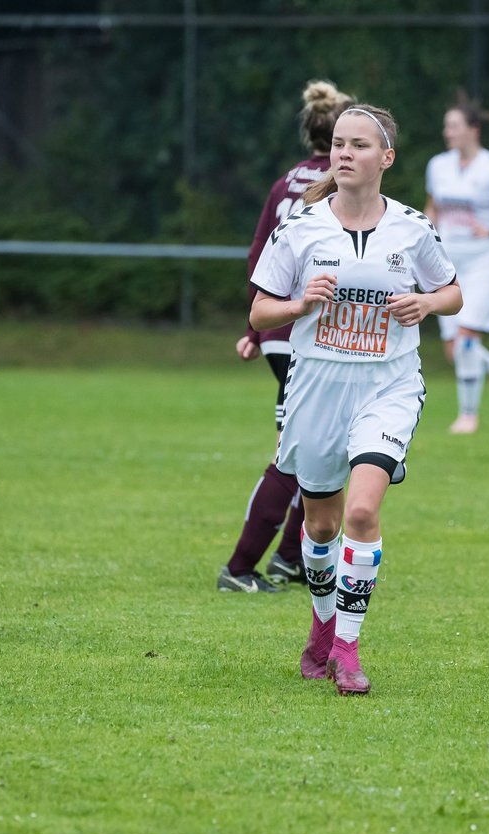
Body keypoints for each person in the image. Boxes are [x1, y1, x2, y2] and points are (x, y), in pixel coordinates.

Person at [249, 104, 463, 695]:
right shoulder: (300, 228)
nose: (345, 153)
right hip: (317, 384)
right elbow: (259, 309)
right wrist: (297, 306)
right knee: (319, 527)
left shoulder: (413, 228)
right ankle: (321, 624)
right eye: (339, 143)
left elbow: (452, 291)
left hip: (388, 384)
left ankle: (348, 647)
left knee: (362, 513)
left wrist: (427, 304)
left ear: (385, 158)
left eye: (360, 145)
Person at [217, 80, 357, 594]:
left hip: (281, 329)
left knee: (318, 450)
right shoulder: (346, 186)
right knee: (294, 454)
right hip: (309, 333)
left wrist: (253, 326)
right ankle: (239, 568)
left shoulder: (286, 181)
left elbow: (262, 257)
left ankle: (291, 558)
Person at [424, 95, 489, 434]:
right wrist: (424, 237)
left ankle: (468, 416)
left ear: (474, 129)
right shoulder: (438, 165)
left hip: (487, 261)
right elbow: (433, 209)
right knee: (456, 350)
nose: (447, 132)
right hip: (448, 263)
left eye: (453, 126)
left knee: (467, 335)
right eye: (446, 126)